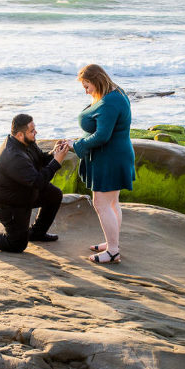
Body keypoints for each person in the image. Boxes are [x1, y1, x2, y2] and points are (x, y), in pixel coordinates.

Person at [0, 114, 69, 253]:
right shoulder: (13, 155)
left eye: (34, 129)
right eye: (32, 131)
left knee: (54, 195)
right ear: (20, 134)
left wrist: (54, 153)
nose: (35, 132)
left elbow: (41, 160)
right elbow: (37, 182)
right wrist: (57, 162)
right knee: (17, 245)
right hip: (8, 204)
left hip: (23, 194)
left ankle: (37, 233)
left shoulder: (26, 143)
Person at [72, 64, 136, 264]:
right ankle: (112, 242)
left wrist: (77, 145)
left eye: (87, 85)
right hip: (115, 155)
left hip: (110, 159)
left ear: (97, 80)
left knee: (101, 204)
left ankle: (113, 251)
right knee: (112, 203)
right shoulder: (115, 93)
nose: (85, 90)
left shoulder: (110, 102)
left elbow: (102, 136)